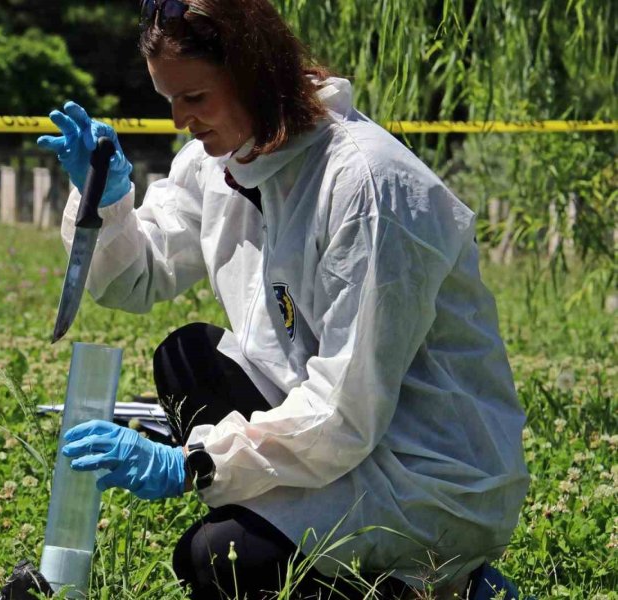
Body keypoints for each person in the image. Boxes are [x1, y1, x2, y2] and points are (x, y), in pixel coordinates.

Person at [37, 0, 529, 598]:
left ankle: (448, 581)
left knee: (216, 559)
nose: (179, 121)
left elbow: (347, 414)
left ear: (254, 73)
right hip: (343, 435)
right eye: (169, 101)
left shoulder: (367, 188)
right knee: (187, 358)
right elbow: (133, 279)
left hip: (426, 474)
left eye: (194, 98)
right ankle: (290, 528)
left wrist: (192, 463)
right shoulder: (225, 159)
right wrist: (108, 200)